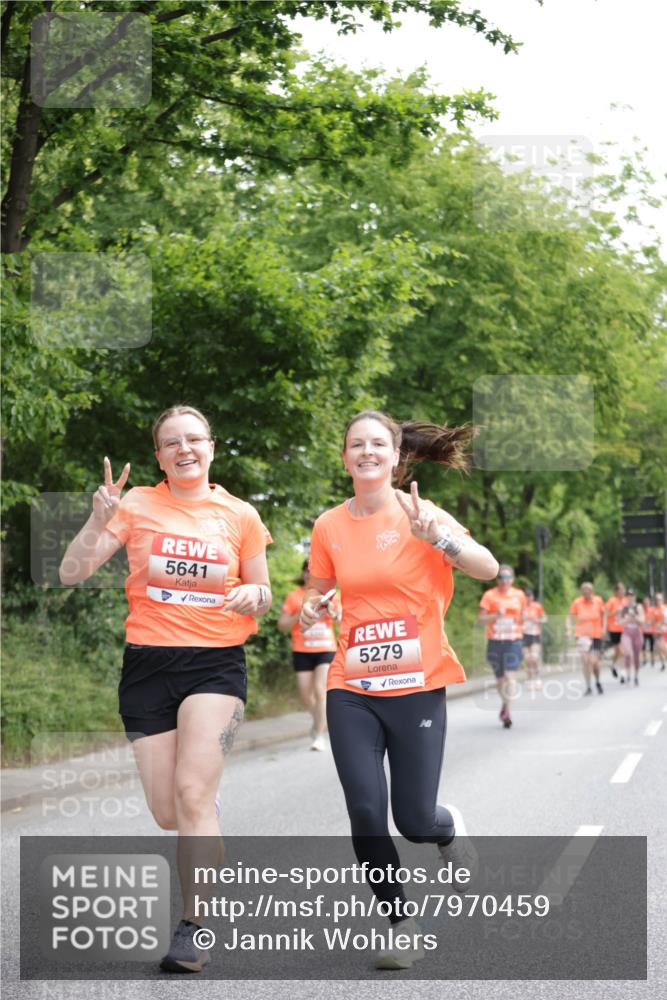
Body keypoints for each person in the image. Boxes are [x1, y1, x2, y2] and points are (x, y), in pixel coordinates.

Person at [58, 405, 272, 974]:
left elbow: (263, 589)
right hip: (147, 666)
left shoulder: (240, 514)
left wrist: (255, 597)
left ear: (211, 446)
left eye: (194, 439)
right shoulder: (136, 506)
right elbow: (71, 572)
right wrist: (94, 517)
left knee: (192, 796)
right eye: (171, 442)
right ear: (159, 456)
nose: (184, 449)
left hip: (215, 666)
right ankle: (199, 806)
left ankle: (194, 926)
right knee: (167, 811)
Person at [301, 410, 498, 971]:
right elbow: (319, 586)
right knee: (366, 811)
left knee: (413, 820)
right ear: (345, 457)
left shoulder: (420, 512)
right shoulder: (329, 525)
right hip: (352, 686)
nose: (366, 452)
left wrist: (436, 536)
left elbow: (487, 567)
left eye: (377, 444)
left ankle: (447, 827)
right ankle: (400, 923)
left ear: (395, 456)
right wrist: (316, 601)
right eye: (355, 444)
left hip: (417, 684)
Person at [277, 560, 340, 751]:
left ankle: (319, 734)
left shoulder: (331, 595)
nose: (308, 574)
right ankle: (319, 721)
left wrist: (333, 614)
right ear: (303, 574)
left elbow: (341, 618)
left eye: (312, 571)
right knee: (306, 696)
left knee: (321, 690)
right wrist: (300, 614)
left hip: (325, 649)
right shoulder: (294, 596)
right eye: (306, 571)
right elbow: (282, 625)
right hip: (302, 650)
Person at [477, 566, 527, 728]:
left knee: (509, 677)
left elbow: (524, 616)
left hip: (514, 641)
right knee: (500, 680)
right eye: (501, 577)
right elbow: (480, 620)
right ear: (496, 579)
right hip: (495, 642)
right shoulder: (489, 595)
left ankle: (508, 710)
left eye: (507, 577)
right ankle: (505, 703)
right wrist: (495, 615)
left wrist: (523, 623)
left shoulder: (519, 595)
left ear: (512, 579)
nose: (504, 581)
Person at [566, 582, 606, 695]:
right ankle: (588, 686)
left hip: (595, 635)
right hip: (582, 635)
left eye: (588, 590)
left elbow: (604, 614)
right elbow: (569, 616)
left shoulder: (598, 600)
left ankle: (597, 681)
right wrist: (568, 629)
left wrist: (604, 627)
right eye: (583, 590)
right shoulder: (577, 602)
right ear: (581, 591)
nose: (586, 592)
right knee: (585, 660)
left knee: (594, 662)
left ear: (591, 591)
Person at [521, 586, 547, 689]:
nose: (528, 598)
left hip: (534, 634)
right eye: (526, 596)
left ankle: (537, 678)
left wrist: (538, 621)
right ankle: (530, 679)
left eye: (529, 596)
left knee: (534, 657)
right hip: (523, 635)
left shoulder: (537, 606)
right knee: (527, 659)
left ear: (532, 597)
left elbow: (544, 618)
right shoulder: (520, 607)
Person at [619, 588, 644, 686]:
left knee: (636, 656)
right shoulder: (624, 608)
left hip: (637, 632)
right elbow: (620, 621)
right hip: (627, 632)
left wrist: (634, 616)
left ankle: (636, 676)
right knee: (628, 653)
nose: (630, 597)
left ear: (634, 597)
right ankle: (628, 674)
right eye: (628, 595)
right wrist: (626, 619)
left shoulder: (639, 607)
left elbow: (642, 620)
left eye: (632, 595)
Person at [605, 582, 629, 680]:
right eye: (621, 589)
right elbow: (606, 614)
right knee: (618, 651)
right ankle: (612, 664)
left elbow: (627, 614)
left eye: (624, 589)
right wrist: (615, 612)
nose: (623, 591)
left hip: (623, 629)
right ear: (616, 591)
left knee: (622, 651)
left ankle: (623, 673)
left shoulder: (626, 601)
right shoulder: (611, 601)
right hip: (614, 629)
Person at [641, 596, 657, 667]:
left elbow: (655, 618)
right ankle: (645, 660)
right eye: (645, 602)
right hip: (643, 631)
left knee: (652, 646)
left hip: (651, 631)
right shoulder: (641, 610)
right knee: (643, 646)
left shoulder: (653, 609)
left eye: (647, 602)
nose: (646, 603)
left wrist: (650, 622)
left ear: (649, 602)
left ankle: (652, 660)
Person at [654, 592, 667, 670]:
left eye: (659, 599)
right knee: (659, 648)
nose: (658, 601)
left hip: (665, 631)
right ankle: (663, 663)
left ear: (662, 600)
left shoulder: (665, 608)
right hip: (658, 632)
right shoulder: (655, 610)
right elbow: (653, 620)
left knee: (664, 648)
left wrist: (662, 624)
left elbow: (664, 620)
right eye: (656, 599)